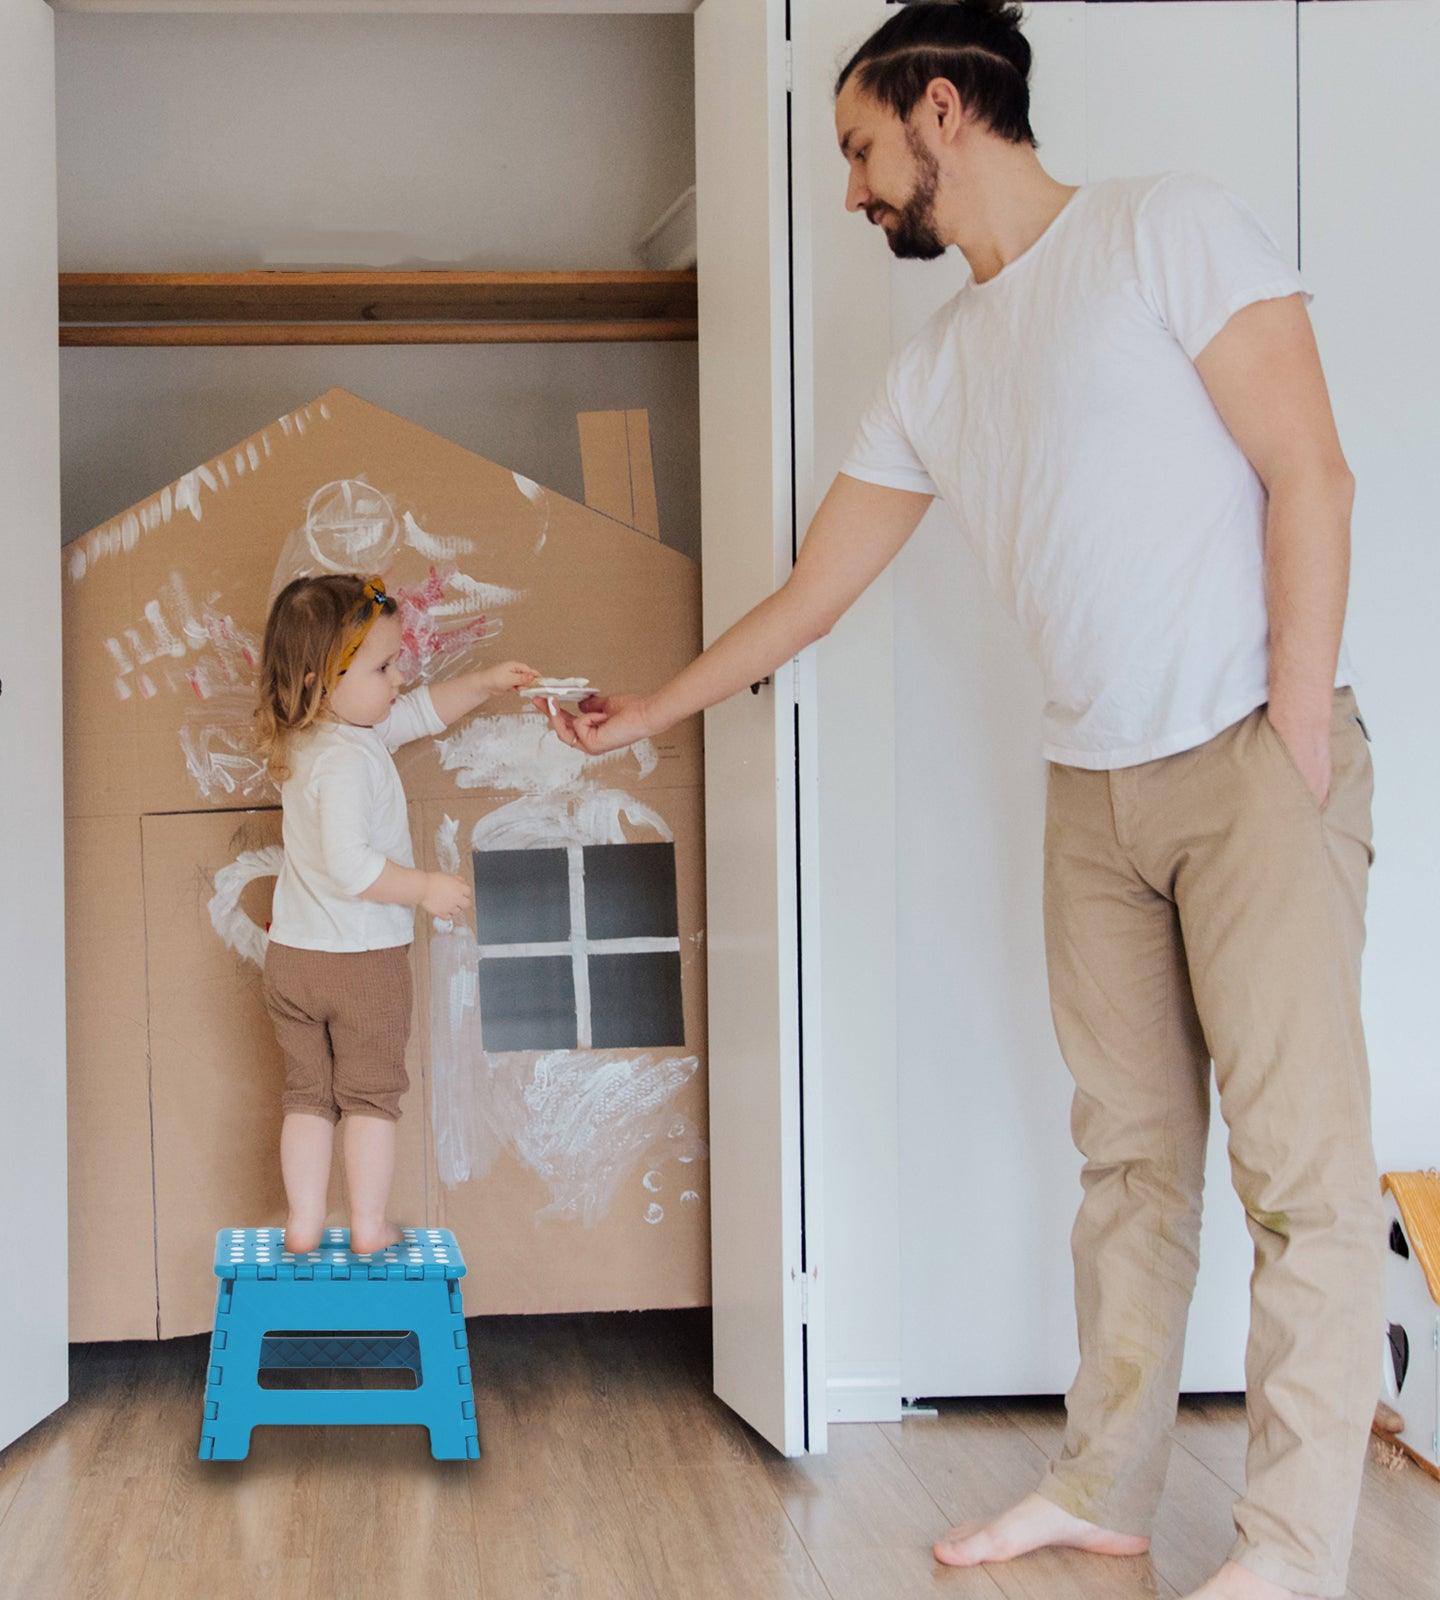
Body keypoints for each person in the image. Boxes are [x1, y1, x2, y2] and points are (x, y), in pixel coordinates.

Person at [542, 3, 1380, 1597]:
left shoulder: (1164, 229)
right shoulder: (938, 369)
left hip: (1251, 762)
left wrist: (1291, 730)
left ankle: (1292, 1555)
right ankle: (1105, 1486)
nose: (853, 193)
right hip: (1095, 792)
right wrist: (651, 707)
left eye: (860, 149)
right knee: (1129, 1168)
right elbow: (814, 596)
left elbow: (1312, 473)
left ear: (941, 110)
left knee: (1302, 1183)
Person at [253, 572, 537, 1256]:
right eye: (383, 666)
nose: (399, 676)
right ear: (326, 678)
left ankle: (302, 1223)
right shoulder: (350, 762)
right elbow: (353, 868)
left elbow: (420, 711)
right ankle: (369, 1227)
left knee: (307, 1097)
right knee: (371, 1100)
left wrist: (486, 682)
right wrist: (424, 888)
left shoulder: (314, 740)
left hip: (293, 959)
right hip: (362, 966)